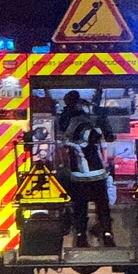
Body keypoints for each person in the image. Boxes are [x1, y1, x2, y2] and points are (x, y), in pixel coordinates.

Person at [58, 92, 115, 248]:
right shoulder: (84, 123)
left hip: (77, 176)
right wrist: (100, 118)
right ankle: (107, 235)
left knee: (80, 208)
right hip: (95, 175)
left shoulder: (67, 121)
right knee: (102, 206)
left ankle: (81, 237)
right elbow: (105, 136)